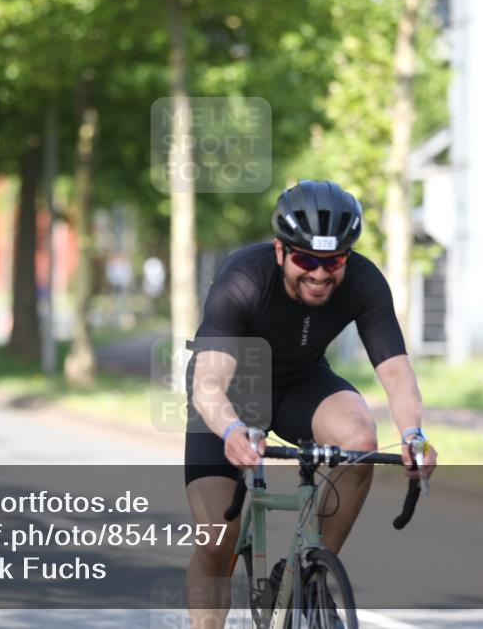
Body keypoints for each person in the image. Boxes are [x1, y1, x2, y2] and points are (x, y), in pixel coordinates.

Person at [184, 180, 437, 627]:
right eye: (305, 260)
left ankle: (308, 575)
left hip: (301, 382)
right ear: (281, 251)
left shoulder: (363, 280)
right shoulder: (244, 278)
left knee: (360, 439)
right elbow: (209, 382)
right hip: (231, 395)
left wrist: (413, 435)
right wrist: (230, 430)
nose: (320, 274)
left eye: (333, 261)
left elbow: (396, 372)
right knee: (215, 541)